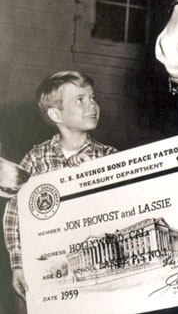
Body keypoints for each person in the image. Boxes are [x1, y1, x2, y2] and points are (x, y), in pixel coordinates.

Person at [3, 71, 117, 314]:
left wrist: (94, 174)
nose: (92, 105)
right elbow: (14, 215)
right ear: (55, 114)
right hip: (44, 275)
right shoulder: (35, 159)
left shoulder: (109, 157)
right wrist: (18, 264)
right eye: (80, 100)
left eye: (93, 97)